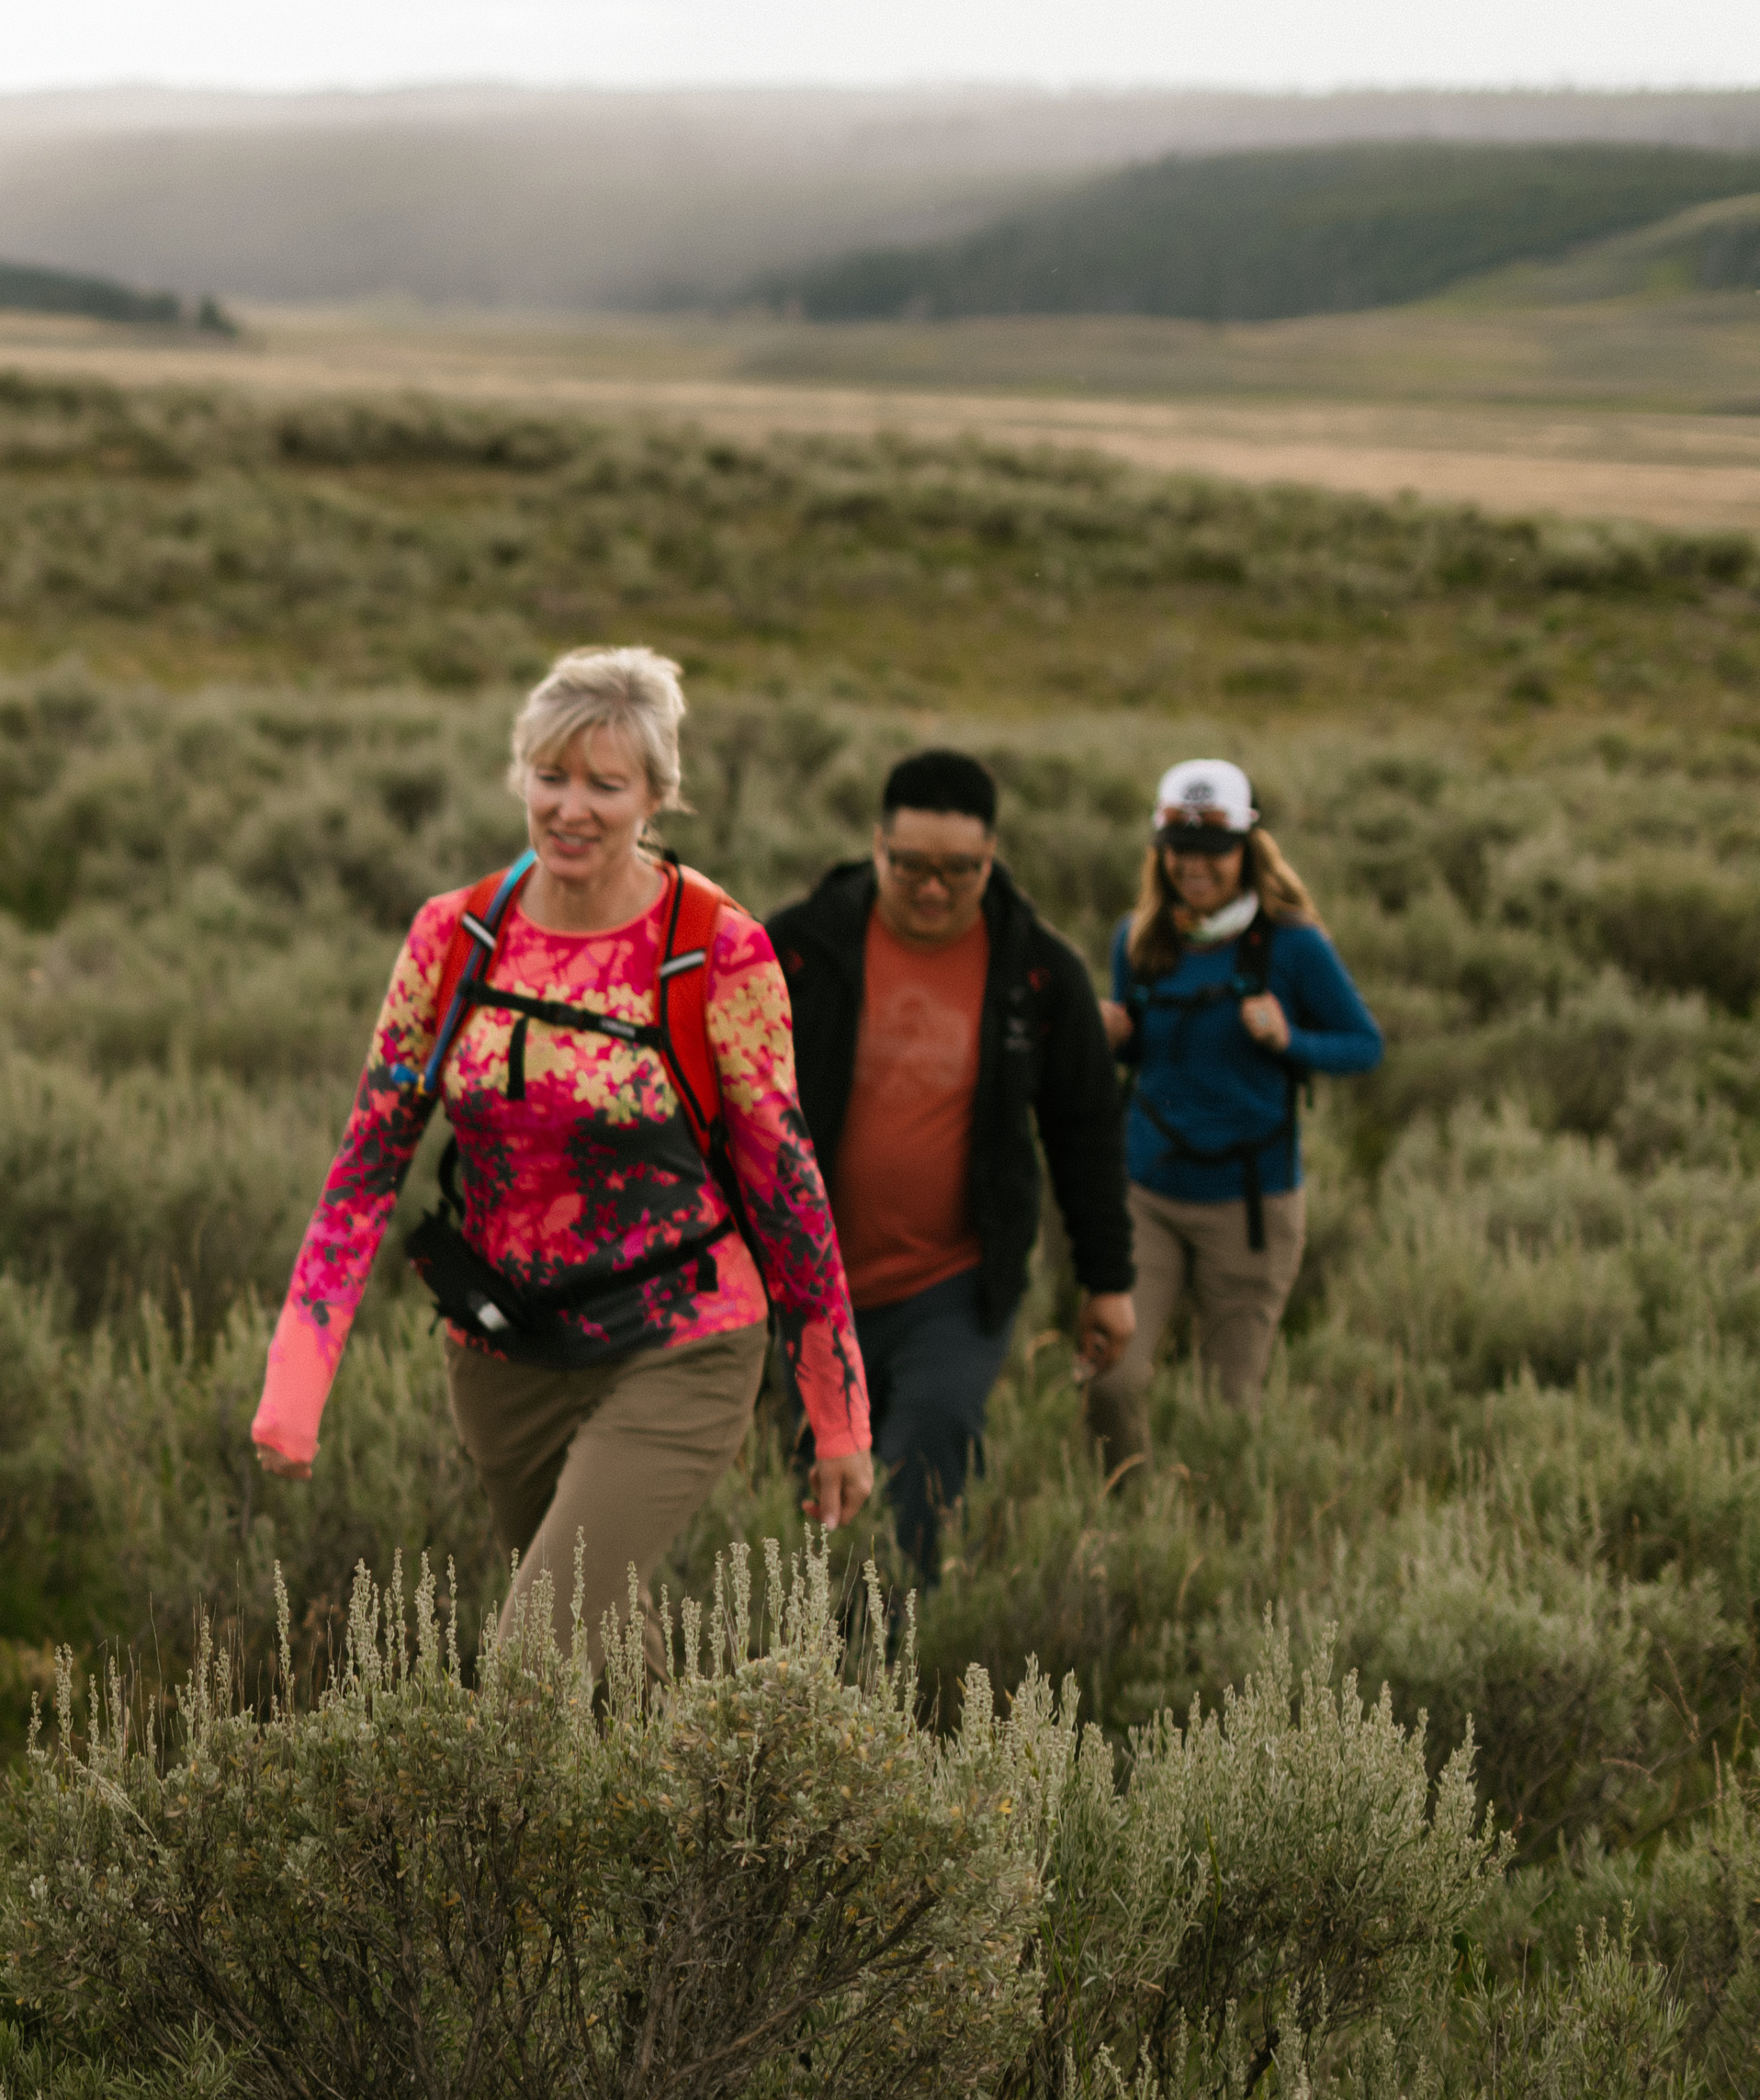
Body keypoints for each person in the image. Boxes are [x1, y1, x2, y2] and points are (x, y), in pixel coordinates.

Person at [251, 646, 876, 1664]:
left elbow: (785, 1189)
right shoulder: (453, 937)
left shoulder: (716, 946)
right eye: (551, 776)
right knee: (611, 1660)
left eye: (605, 782)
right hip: (505, 1352)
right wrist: (296, 1381)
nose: (571, 807)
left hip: (683, 1338)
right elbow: (367, 1163)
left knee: (531, 1656)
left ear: (655, 795)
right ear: (520, 778)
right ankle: (706, 1814)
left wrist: (835, 1412)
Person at [768, 750, 1136, 1585]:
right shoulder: (796, 947)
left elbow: (1087, 1131)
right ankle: (806, 1669)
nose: (933, 889)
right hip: (812, 1285)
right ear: (876, 846)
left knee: (925, 1459)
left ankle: (883, 1666)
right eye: (911, 868)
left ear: (992, 856)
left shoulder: (1039, 973)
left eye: (960, 871)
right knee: (814, 1478)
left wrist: (1107, 1280)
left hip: (956, 1285)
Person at [1082, 757, 1380, 1474]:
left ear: (1246, 849)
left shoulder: (1294, 945)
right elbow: (1155, 1056)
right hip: (1146, 1194)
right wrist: (1114, 1038)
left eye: (1213, 853)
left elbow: (1364, 1045)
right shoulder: (1139, 938)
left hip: (1248, 1206)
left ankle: (1216, 1526)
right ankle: (1127, 1514)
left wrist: (1291, 1038)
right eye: (1180, 850)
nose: (1195, 867)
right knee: (1109, 1379)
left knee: (1229, 1402)